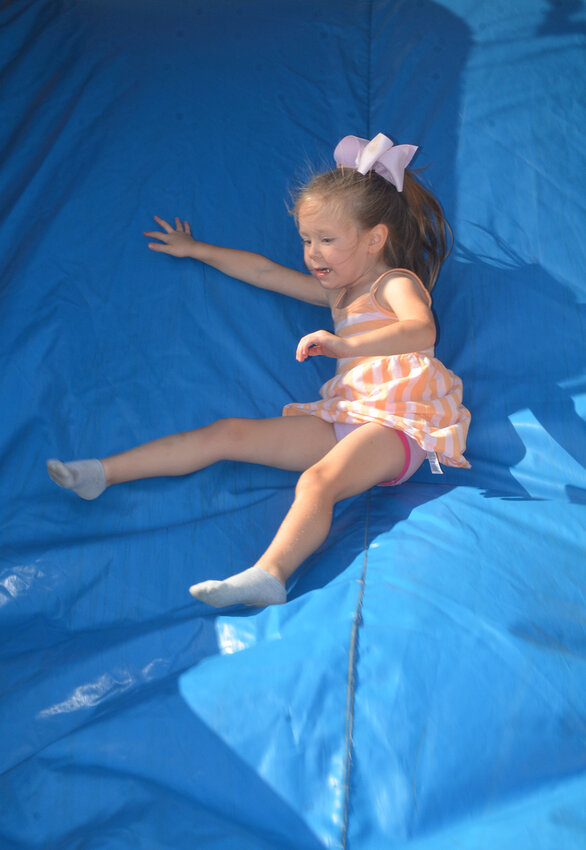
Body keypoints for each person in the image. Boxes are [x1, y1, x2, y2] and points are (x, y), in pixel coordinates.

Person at [47, 132, 470, 608]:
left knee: (317, 482)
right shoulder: (337, 295)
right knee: (228, 432)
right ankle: (101, 473)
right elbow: (265, 272)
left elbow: (421, 330)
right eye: (307, 240)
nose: (312, 253)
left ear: (375, 239)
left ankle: (270, 575)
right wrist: (197, 249)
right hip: (347, 418)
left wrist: (345, 342)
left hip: (400, 427)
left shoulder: (396, 283)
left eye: (327, 240)